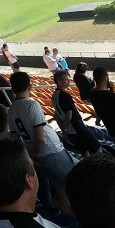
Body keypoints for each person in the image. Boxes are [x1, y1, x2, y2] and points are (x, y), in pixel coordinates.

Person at [7, 72, 77, 210]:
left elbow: (15, 138)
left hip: (37, 155)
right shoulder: (32, 105)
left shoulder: (11, 110)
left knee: (60, 188)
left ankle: (71, 217)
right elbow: (39, 137)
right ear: (29, 86)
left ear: (13, 89)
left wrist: (30, 156)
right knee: (76, 180)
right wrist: (35, 153)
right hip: (51, 150)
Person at [52, 69, 100, 155]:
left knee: (84, 152)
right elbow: (69, 116)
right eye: (66, 79)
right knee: (97, 148)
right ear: (59, 82)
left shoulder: (54, 96)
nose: (68, 81)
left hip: (70, 131)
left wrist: (63, 130)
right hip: (78, 127)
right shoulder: (65, 95)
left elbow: (56, 115)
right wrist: (64, 128)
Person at [88, 67, 115, 138]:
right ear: (106, 78)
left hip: (110, 130)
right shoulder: (112, 97)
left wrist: (111, 89)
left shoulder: (93, 94)